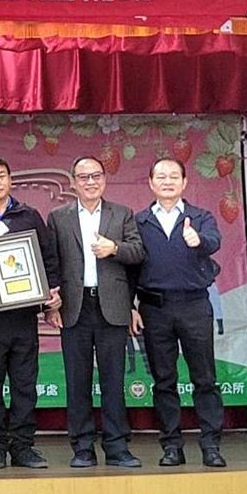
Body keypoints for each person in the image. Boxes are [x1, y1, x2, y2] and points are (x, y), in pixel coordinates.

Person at [46, 156, 144, 468]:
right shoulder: (58, 217)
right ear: (73, 182)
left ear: (104, 179)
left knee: (113, 380)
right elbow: (51, 263)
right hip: (73, 307)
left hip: (112, 306)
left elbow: (138, 253)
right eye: (83, 177)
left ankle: (117, 447)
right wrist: (50, 305)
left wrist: (114, 248)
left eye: (96, 176)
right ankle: (82, 447)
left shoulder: (122, 213)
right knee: (77, 381)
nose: (90, 182)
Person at [0, 157, 61, 469]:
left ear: (10, 180)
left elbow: (49, 259)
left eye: (2, 176)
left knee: (24, 383)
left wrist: (51, 299)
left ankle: (22, 446)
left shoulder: (28, 215)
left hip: (23, 314)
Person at [133, 158, 226, 468]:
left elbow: (214, 241)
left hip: (194, 305)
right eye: (161, 176)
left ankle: (211, 445)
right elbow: (130, 266)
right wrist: (131, 306)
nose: (168, 181)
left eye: (174, 176)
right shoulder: (139, 221)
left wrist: (198, 240)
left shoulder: (200, 217)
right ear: (151, 183)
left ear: (185, 182)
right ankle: (171, 446)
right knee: (164, 381)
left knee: (205, 379)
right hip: (154, 309)